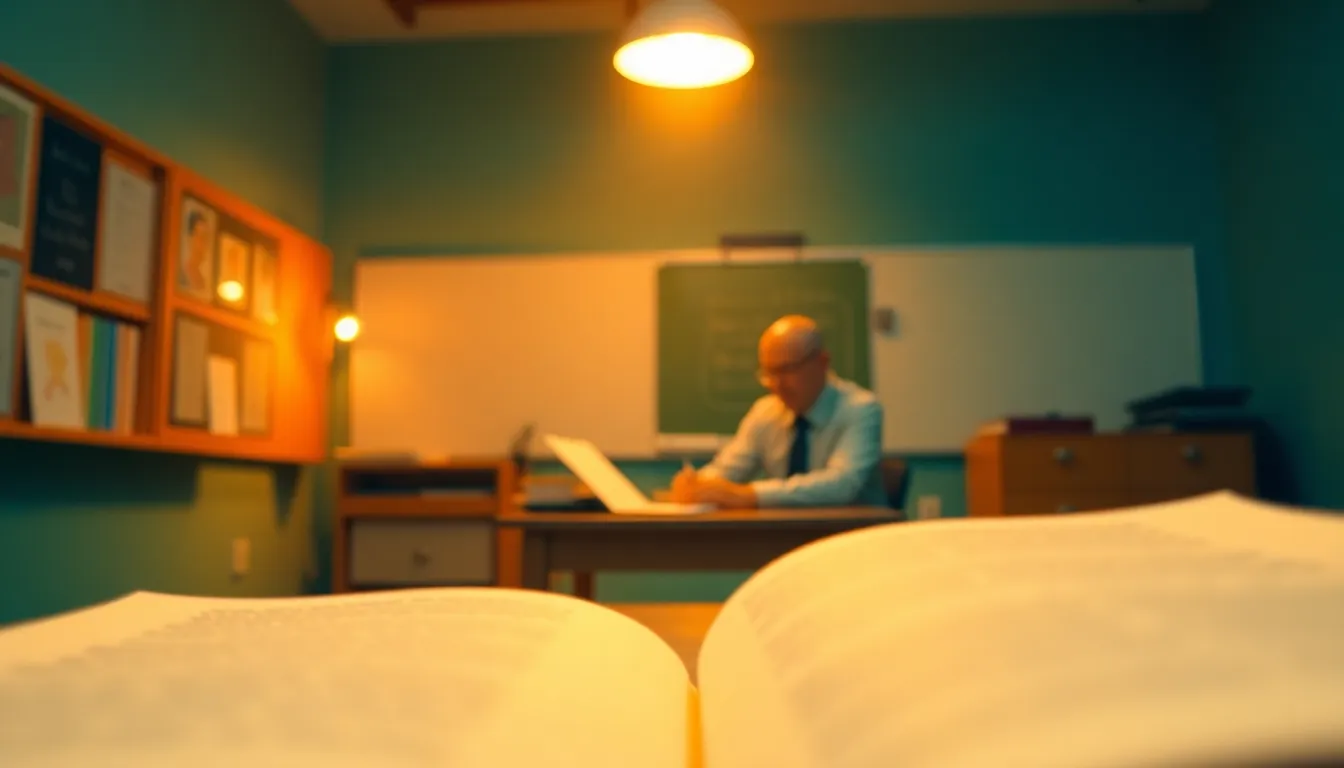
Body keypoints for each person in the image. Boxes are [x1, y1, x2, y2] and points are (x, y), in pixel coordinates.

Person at [670, 314, 886, 509]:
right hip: (782, 533)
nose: (776, 384)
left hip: (851, 537)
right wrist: (700, 484)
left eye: (787, 370)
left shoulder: (861, 409)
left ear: (822, 362)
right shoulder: (766, 411)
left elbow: (842, 486)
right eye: (768, 372)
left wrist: (751, 495)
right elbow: (730, 468)